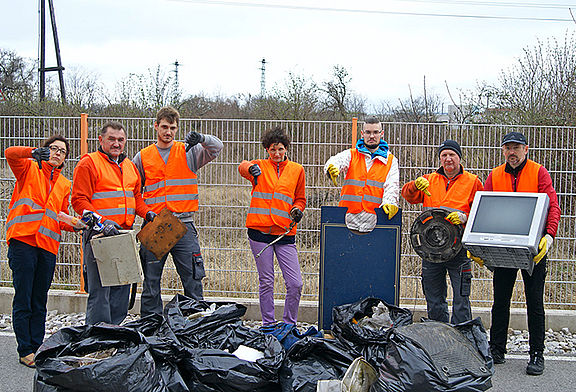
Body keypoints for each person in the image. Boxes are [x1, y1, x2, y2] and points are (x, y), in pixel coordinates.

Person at [472, 131, 560, 376]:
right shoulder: (495, 175)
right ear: (503, 151)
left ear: (526, 149)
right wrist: (481, 246)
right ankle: (497, 349)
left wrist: (549, 236)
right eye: (508, 147)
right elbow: (483, 208)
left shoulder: (539, 172)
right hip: (503, 250)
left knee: (535, 302)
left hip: (534, 250)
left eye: (516, 147)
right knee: (500, 301)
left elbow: (553, 205)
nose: (512, 152)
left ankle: (536, 354)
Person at [132, 106, 223, 316]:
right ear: (156, 127)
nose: (168, 132)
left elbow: (217, 147)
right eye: (164, 127)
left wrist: (201, 138)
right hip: (157, 225)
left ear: (177, 129)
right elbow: (134, 192)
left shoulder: (188, 151)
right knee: (151, 283)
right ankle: (151, 327)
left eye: (173, 128)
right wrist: (146, 213)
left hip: (183, 223)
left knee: (193, 280)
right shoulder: (143, 156)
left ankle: (194, 324)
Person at [71, 121, 152, 325]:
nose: (116, 143)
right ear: (101, 140)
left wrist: (148, 213)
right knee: (100, 293)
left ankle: (114, 335)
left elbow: (136, 198)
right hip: (100, 236)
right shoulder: (89, 163)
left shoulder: (129, 166)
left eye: (120, 140)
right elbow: (79, 201)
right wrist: (102, 222)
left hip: (123, 235)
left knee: (121, 290)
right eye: (112, 139)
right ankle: (97, 339)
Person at [5, 136, 75, 368]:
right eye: (53, 148)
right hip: (23, 241)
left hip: (47, 246)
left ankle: (36, 347)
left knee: (39, 298)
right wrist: (32, 151)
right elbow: (9, 153)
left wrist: (77, 223)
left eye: (62, 151)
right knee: (23, 296)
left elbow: (60, 215)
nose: (57, 153)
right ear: (45, 150)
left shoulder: (64, 184)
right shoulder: (28, 168)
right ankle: (25, 349)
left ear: (65, 158)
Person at [402, 140, 484, 324]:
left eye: (452, 155)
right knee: (434, 298)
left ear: (459, 158)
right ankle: (438, 334)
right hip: (431, 251)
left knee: (461, 298)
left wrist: (464, 217)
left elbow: (483, 213)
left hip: (459, 249)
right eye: (444, 155)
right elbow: (407, 195)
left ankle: (462, 336)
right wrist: (415, 184)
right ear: (440, 159)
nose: (448, 159)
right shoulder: (429, 180)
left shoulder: (472, 182)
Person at [238, 126, 305, 329]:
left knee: (295, 283)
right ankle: (268, 324)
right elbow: (242, 166)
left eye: (280, 149)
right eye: (272, 150)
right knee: (266, 281)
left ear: (286, 148)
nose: (277, 154)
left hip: (284, 234)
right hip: (259, 234)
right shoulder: (258, 167)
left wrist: (297, 209)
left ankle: (289, 324)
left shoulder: (297, 170)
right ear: (267, 150)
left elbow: (300, 198)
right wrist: (250, 168)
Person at [324, 116, 399, 232]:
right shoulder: (351, 154)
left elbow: (392, 186)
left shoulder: (390, 161)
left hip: (374, 224)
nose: (372, 136)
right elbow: (336, 160)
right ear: (362, 133)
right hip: (348, 221)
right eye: (368, 132)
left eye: (375, 132)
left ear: (382, 133)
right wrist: (331, 168)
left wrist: (390, 202)